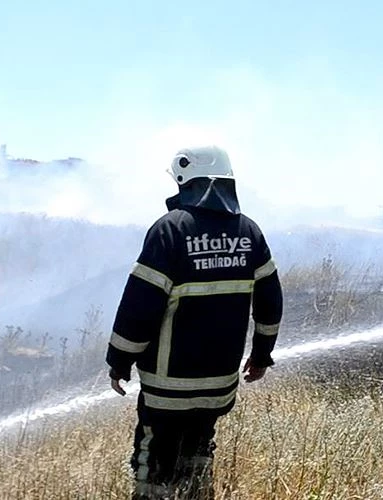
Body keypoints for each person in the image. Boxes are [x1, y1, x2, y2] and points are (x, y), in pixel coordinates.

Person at [105, 145, 284, 500]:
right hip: (218, 387)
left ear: (189, 180)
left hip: (167, 387)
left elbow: (139, 307)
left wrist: (119, 360)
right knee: (198, 456)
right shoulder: (250, 233)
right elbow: (271, 302)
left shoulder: (170, 230)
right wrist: (262, 355)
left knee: (153, 465)